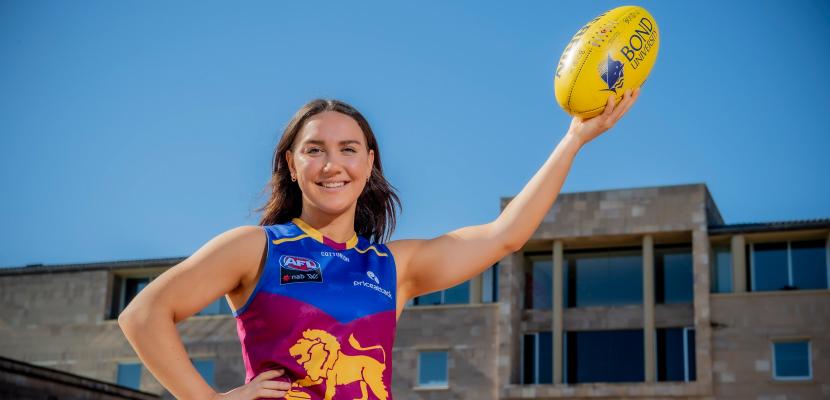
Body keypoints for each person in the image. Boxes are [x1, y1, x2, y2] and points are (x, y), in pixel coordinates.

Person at [118, 88, 640, 400]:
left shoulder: (394, 266)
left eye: (348, 149)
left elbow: (506, 236)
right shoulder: (254, 248)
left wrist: (573, 139)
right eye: (314, 149)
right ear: (290, 164)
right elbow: (143, 315)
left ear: (369, 164)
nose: (331, 164)